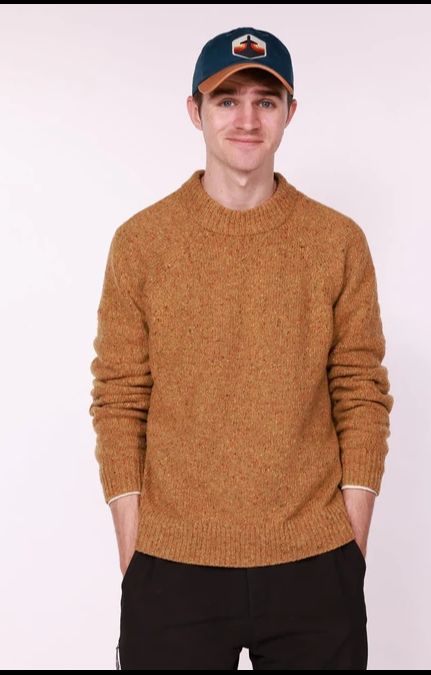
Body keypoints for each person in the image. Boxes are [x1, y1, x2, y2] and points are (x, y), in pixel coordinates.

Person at [89, 26, 393, 670]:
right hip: (172, 567)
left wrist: (350, 543)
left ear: (289, 113)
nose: (247, 120)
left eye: (266, 101)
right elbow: (119, 399)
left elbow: (361, 390)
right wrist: (135, 549)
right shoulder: (141, 243)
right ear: (195, 111)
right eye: (227, 100)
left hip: (316, 563)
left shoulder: (337, 241)